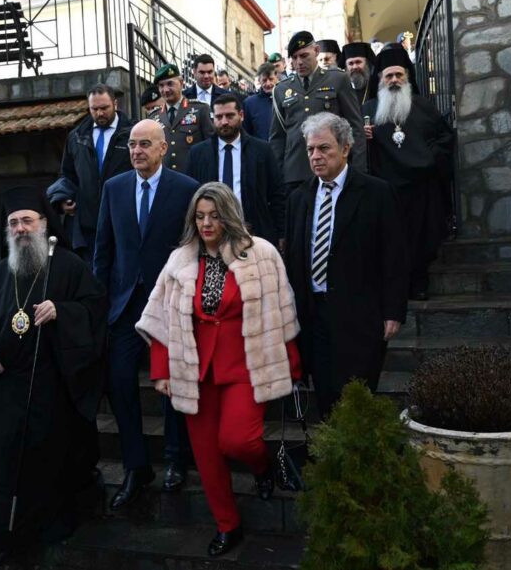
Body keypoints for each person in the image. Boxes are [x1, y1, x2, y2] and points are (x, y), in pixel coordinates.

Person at [136, 182, 302, 557]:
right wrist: (161, 370)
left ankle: (263, 467)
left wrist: (291, 364)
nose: (206, 223)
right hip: (195, 370)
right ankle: (228, 525)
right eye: (200, 216)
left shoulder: (261, 254)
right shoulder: (180, 260)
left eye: (214, 215)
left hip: (246, 364)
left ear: (229, 215)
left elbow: (280, 311)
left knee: (238, 440)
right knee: (207, 456)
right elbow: (161, 317)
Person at [0, 187, 107, 568]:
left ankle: (43, 531)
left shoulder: (69, 266)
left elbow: (95, 309)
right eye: (13, 223)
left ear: (44, 224)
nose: (20, 229)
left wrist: (62, 311)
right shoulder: (1, 272)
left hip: (52, 385)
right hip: (7, 386)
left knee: (46, 462)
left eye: (27, 221)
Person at [94, 119, 199, 508]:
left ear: (163, 148)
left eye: (144, 144)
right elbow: (103, 250)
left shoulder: (186, 189)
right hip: (125, 307)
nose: (136, 151)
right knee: (120, 381)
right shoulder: (114, 188)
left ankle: (175, 460)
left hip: (169, 304)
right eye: (132, 145)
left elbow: (194, 247)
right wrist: (101, 303)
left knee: (172, 384)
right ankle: (136, 466)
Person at [285, 113, 409, 419]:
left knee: (357, 399)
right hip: (314, 316)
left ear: (345, 148)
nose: (316, 156)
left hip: (360, 315)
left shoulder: (376, 193)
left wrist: (393, 310)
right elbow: (294, 260)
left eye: (324, 148)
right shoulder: (299, 198)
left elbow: (395, 255)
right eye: (310, 149)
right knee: (326, 398)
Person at [363, 46, 455, 301]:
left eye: (398, 75)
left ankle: (418, 283)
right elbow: (352, 146)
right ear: (380, 79)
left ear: (407, 77)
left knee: (421, 239)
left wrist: (428, 157)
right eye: (388, 76)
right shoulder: (368, 110)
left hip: (420, 188)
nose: (394, 80)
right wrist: (362, 136)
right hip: (385, 189)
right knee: (390, 242)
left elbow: (445, 138)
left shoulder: (423, 106)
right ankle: (395, 288)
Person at [270, 31, 366, 195]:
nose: (299, 62)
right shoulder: (281, 89)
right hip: (296, 173)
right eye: (294, 58)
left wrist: (358, 171)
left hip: (333, 170)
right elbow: (277, 138)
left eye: (304, 56)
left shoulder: (337, 80)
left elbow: (355, 127)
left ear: (316, 51)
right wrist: (277, 177)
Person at [187, 93, 286, 246]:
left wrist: (281, 233)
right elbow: (191, 197)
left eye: (229, 116)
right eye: (219, 117)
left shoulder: (262, 150)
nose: (224, 122)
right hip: (211, 236)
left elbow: (277, 194)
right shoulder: (198, 153)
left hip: (254, 233)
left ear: (241, 115)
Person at [54, 84, 134, 262]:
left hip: (122, 222)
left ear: (115, 104)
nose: (99, 113)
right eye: (94, 109)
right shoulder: (76, 137)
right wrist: (63, 199)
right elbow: (67, 175)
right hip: (88, 227)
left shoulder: (132, 134)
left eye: (104, 108)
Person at [152, 63, 214, 172]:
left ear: (181, 83)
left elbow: (211, 146)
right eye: (161, 86)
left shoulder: (200, 110)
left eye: (170, 84)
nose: (165, 90)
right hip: (165, 178)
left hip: (193, 176)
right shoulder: (154, 117)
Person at [243, 62, 277, 142]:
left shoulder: (284, 99)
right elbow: (246, 133)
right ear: (259, 80)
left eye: (271, 79)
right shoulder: (249, 103)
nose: (268, 83)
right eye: (264, 80)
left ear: (276, 77)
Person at [340, 42, 378, 106]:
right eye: (351, 63)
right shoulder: (341, 87)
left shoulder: (376, 85)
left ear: (367, 63)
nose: (355, 67)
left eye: (358, 62)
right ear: (346, 66)